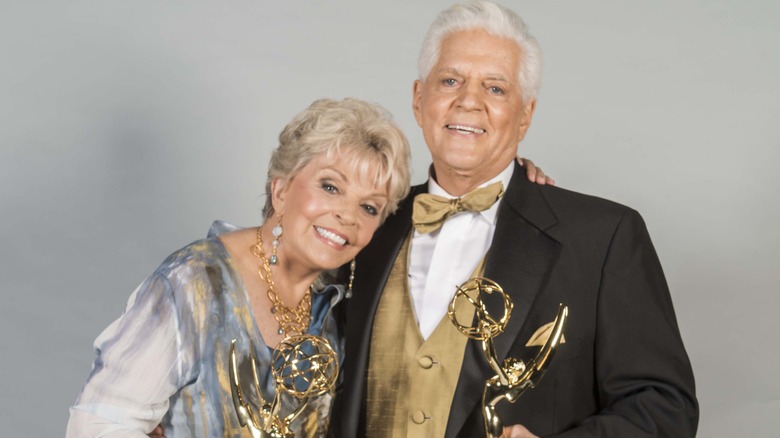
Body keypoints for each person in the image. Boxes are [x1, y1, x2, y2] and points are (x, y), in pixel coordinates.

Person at [66, 97, 549, 437]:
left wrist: (515, 185)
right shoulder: (196, 283)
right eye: (331, 187)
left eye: (370, 207)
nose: (346, 216)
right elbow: (99, 424)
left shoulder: (343, 299)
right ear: (280, 189)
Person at [330, 2, 698, 437]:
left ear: (525, 115)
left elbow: (665, 408)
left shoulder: (604, 237)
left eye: (496, 89)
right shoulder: (364, 227)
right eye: (450, 80)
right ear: (418, 98)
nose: (468, 101)